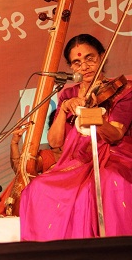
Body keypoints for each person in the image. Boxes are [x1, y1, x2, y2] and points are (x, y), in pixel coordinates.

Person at [20, 34, 132, 241]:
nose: (85, 66)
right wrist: (63, 109)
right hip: (76, 161)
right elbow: (55, 142)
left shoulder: (123, 90)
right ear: (71, 68)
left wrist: (92, 115)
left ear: (102, 56)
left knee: (108, 181)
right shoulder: (68, 94)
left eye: (90, 58)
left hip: (115, 157)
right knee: (37, 188)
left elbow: (115, 135)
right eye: (77, 62)